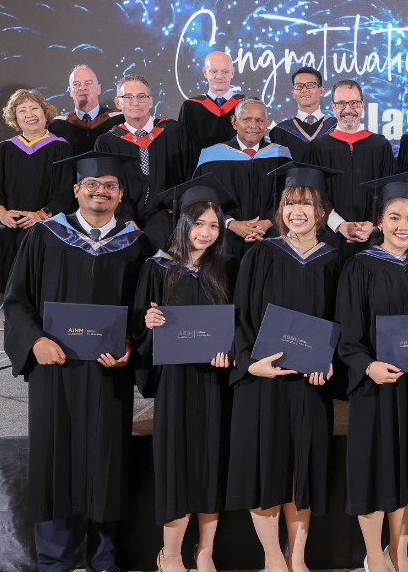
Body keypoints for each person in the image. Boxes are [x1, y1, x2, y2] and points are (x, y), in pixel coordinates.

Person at [2, 151, 152, 572]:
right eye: (92, 185)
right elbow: (16, 301)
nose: (100, 191)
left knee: (107, 460)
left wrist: (131, 345)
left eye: (109, 185)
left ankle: (103, 559)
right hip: (56, 369)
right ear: (76, 190)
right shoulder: (46, 236)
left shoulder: (137, 244)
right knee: (55, 457)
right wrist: (34, 342)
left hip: (108, 372)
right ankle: (55, 561)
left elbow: (146, 310)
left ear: (120, 194)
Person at [335, 173, 408, 572]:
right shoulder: (360, 266)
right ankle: (374, 556)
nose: (403, 225)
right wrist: (367, 366)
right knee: (374, 471)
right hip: (376, 387)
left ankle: (399, 553)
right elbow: (347, 331)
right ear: (380, 220)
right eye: (394, 216)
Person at [227, 162, 343, 572]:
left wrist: (330, 358)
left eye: (307, 203)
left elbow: (342, 320)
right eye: (291, 203)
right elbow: (239, 316)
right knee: (265, 467)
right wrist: (249, 364)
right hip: (263, 380)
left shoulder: (336, 260)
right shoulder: (260, 253)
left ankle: (298, 557)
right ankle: (273, 558)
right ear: (280, 210)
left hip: (310, 383)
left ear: (322, 211)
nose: (298, 210)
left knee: (302, 469)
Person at [133, 177, 237, 572]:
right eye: (199, 223)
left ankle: (205, 550)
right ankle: (171, 554)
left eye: (214, 226)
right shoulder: (157, 268)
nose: (206, 233)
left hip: (214, 383)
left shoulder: (227, 269)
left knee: (212, 459)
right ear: (182, 223)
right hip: (176, 384)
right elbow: (140, 331)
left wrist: (228, 351)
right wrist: (149, 321)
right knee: (176, 463)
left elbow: (237, 326)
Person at [0, 89, 74, 293]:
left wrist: (40, 215)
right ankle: (9, 297)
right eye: (22, 110)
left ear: (45, 113)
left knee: (31, 238)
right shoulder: (3, 150)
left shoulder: (60, 148)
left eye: (34, 108)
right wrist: (2, 214)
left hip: (46, 219)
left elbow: (64, 192)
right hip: (8, 220)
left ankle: (29, 300)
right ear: (15, 118)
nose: (29, 114)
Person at [95, 74, 194, 249]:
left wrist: (178, 205)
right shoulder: (106, 142)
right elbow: (106, 185)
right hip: (122, 213)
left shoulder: (174, 132)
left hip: (165, 213)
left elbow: (188, 173)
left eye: (141, 96)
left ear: (150, 102)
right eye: (128, 97)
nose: (135, 102)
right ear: (118, 103)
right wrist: (125, 217)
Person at [301, 79, 396, 257]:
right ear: (333, 107)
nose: (348, 109)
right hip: (329, 238)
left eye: (354, 103)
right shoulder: (319, 147)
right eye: (341, 104)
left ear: (362, 105)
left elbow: (389, 192)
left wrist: (373, 225)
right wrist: (338, 224)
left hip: (373, 239)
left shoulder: (380, 145)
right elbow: (312, 195)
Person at [193, 97, 292, 260]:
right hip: (224, 235)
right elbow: (202, 201)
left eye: (259, 120)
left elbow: (288, 197)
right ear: (234, 121)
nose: (253, 126)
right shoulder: (212, 157)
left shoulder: (281, 156)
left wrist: (268, 222)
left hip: (270, 234)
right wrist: (231, 223)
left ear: (267, 123)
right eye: (247, 119)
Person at [178, 51, 247, 156]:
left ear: (232, 72)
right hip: (201, 170)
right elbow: (183, 151)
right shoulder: (191, 107)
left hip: (239, 170)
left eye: (225, 71)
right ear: (205, 72)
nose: (219, 76)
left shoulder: (247, 106)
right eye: (214, 71)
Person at [48, 65, 125, 155]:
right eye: (76, 84)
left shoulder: (120, 120)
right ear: (70, 91)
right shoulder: (56, 125)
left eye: (88, 83)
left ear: (99, 89)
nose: (82, 88)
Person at [269, 66, 338, 162]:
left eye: (310, 85)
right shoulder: (280, 132)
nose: (304, 90)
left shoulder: (336, 127)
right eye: (299, 86)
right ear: (293, 93)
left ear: (321, 91)